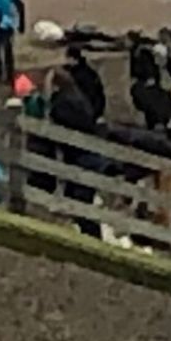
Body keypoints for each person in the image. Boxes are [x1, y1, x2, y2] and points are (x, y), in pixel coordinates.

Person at [47, 67, 102, 238]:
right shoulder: (78, 98)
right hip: (87, 157)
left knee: (79, 202)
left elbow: (61, 127)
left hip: (82, 159)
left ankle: (91, 237)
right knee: (79, 200)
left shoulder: (64, 104)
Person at [67, 45, 106, 123]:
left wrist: (94, 113)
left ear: (73, 59)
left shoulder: (80, 74)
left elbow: (91, 94)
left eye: (68, 58)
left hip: (90, 109)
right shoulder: (87, 70)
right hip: (95, 107)